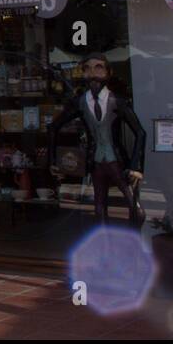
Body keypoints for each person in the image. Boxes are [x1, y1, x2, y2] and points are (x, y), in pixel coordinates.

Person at [48, 53, 146, 227]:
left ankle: (133, 243)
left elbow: (140, 132)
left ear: (108, 72)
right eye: (87, 68)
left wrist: (135, 166)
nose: (93, 73)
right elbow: (54, 127)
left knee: (134, 206)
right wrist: (54, 161)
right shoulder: (80, 102)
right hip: (96, 162)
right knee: (99, 206)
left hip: (117, 160)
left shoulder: (117, 101)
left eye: (98, 67)